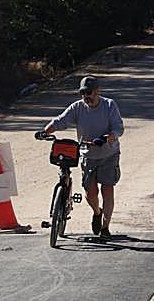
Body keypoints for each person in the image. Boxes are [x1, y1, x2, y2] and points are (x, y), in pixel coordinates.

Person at [40, 75, 124, 239]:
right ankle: (97, 212)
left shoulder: (109, 105)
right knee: (90, 193)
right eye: (83, 93)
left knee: (107, 190)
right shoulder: (78, 108)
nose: (86, 96)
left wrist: (107, 138)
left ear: (97, 92)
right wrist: (45, 131)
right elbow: (60, 121)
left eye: (89, 93)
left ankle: (105, 228)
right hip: (88, 155)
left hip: (108, 154)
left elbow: (118, 128)